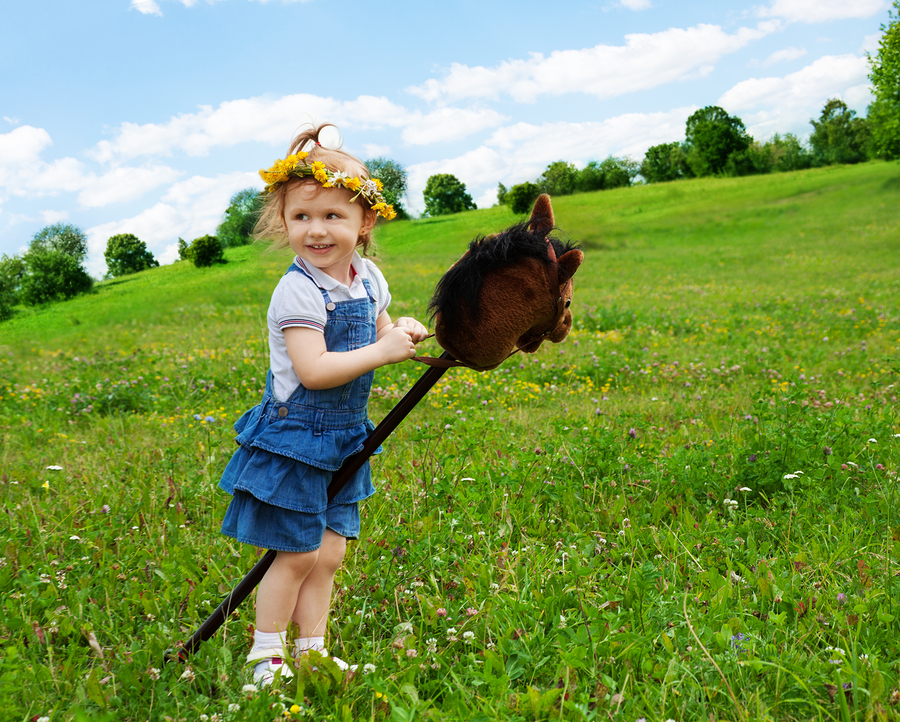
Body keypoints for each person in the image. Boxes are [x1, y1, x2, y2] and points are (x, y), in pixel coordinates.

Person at [218, 123, 428, 685]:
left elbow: (379, 327)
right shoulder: (298, 289)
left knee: (329, 554)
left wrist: (399, 330)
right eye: (301, 217)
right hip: (295, 437)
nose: (316, 230)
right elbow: (312, 371)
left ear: (366, 223)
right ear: (283, 223)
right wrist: (382, 353)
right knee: (296, 553)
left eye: (333, 216)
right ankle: (267, 656)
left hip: (342, 436)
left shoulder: (367, 278)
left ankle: (311, 652)